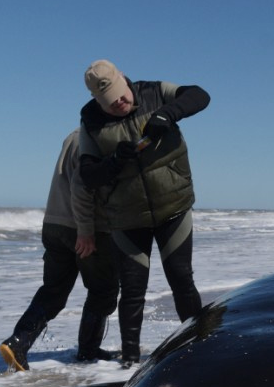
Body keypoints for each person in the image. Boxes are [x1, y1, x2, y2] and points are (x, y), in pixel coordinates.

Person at [77, 60, 210, 366]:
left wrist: (168, 113)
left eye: (122, 95)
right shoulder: (90, 121)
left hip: (173, 208)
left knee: (181, 279)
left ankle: (200, 348)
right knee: (133, 291)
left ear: (125, 81)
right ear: (99, 102)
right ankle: (130, 361)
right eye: (110, 103)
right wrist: (112, 162)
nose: (120, 103)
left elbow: (200, 95)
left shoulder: (154, 92)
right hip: (127, 219)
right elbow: (87, 175)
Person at [0, 130, 119, 371]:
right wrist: (88, 230)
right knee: (103, 290)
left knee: (54, 290)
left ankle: (18, 342)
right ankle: (88, 351)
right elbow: (84, 186)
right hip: (84, 226)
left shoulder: (74, 135)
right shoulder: (99, 139)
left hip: (54, 222)